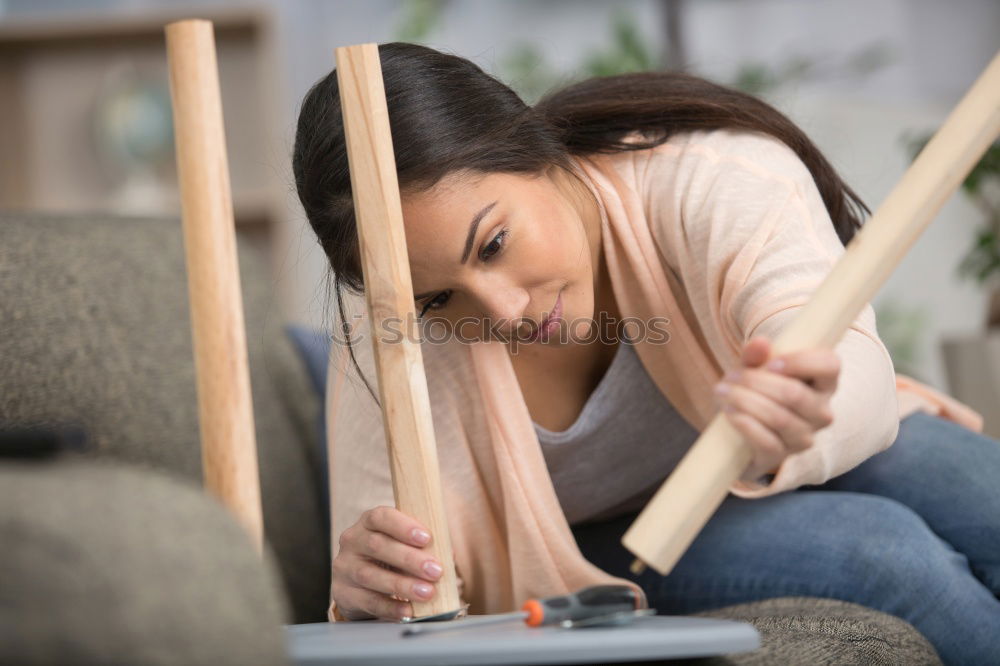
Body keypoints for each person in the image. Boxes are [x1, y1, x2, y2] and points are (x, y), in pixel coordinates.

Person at [292, 42, 999, 663]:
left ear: (537, 149)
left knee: (974, 490)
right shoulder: (388, 324)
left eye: (495, 244)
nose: (502, 311)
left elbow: (840, 353)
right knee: (888, 555)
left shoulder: (712, 176)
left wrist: (803, 396)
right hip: (600, 545)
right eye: (441, 300)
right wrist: (370, 589)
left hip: (789, 453)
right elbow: (393, 592)